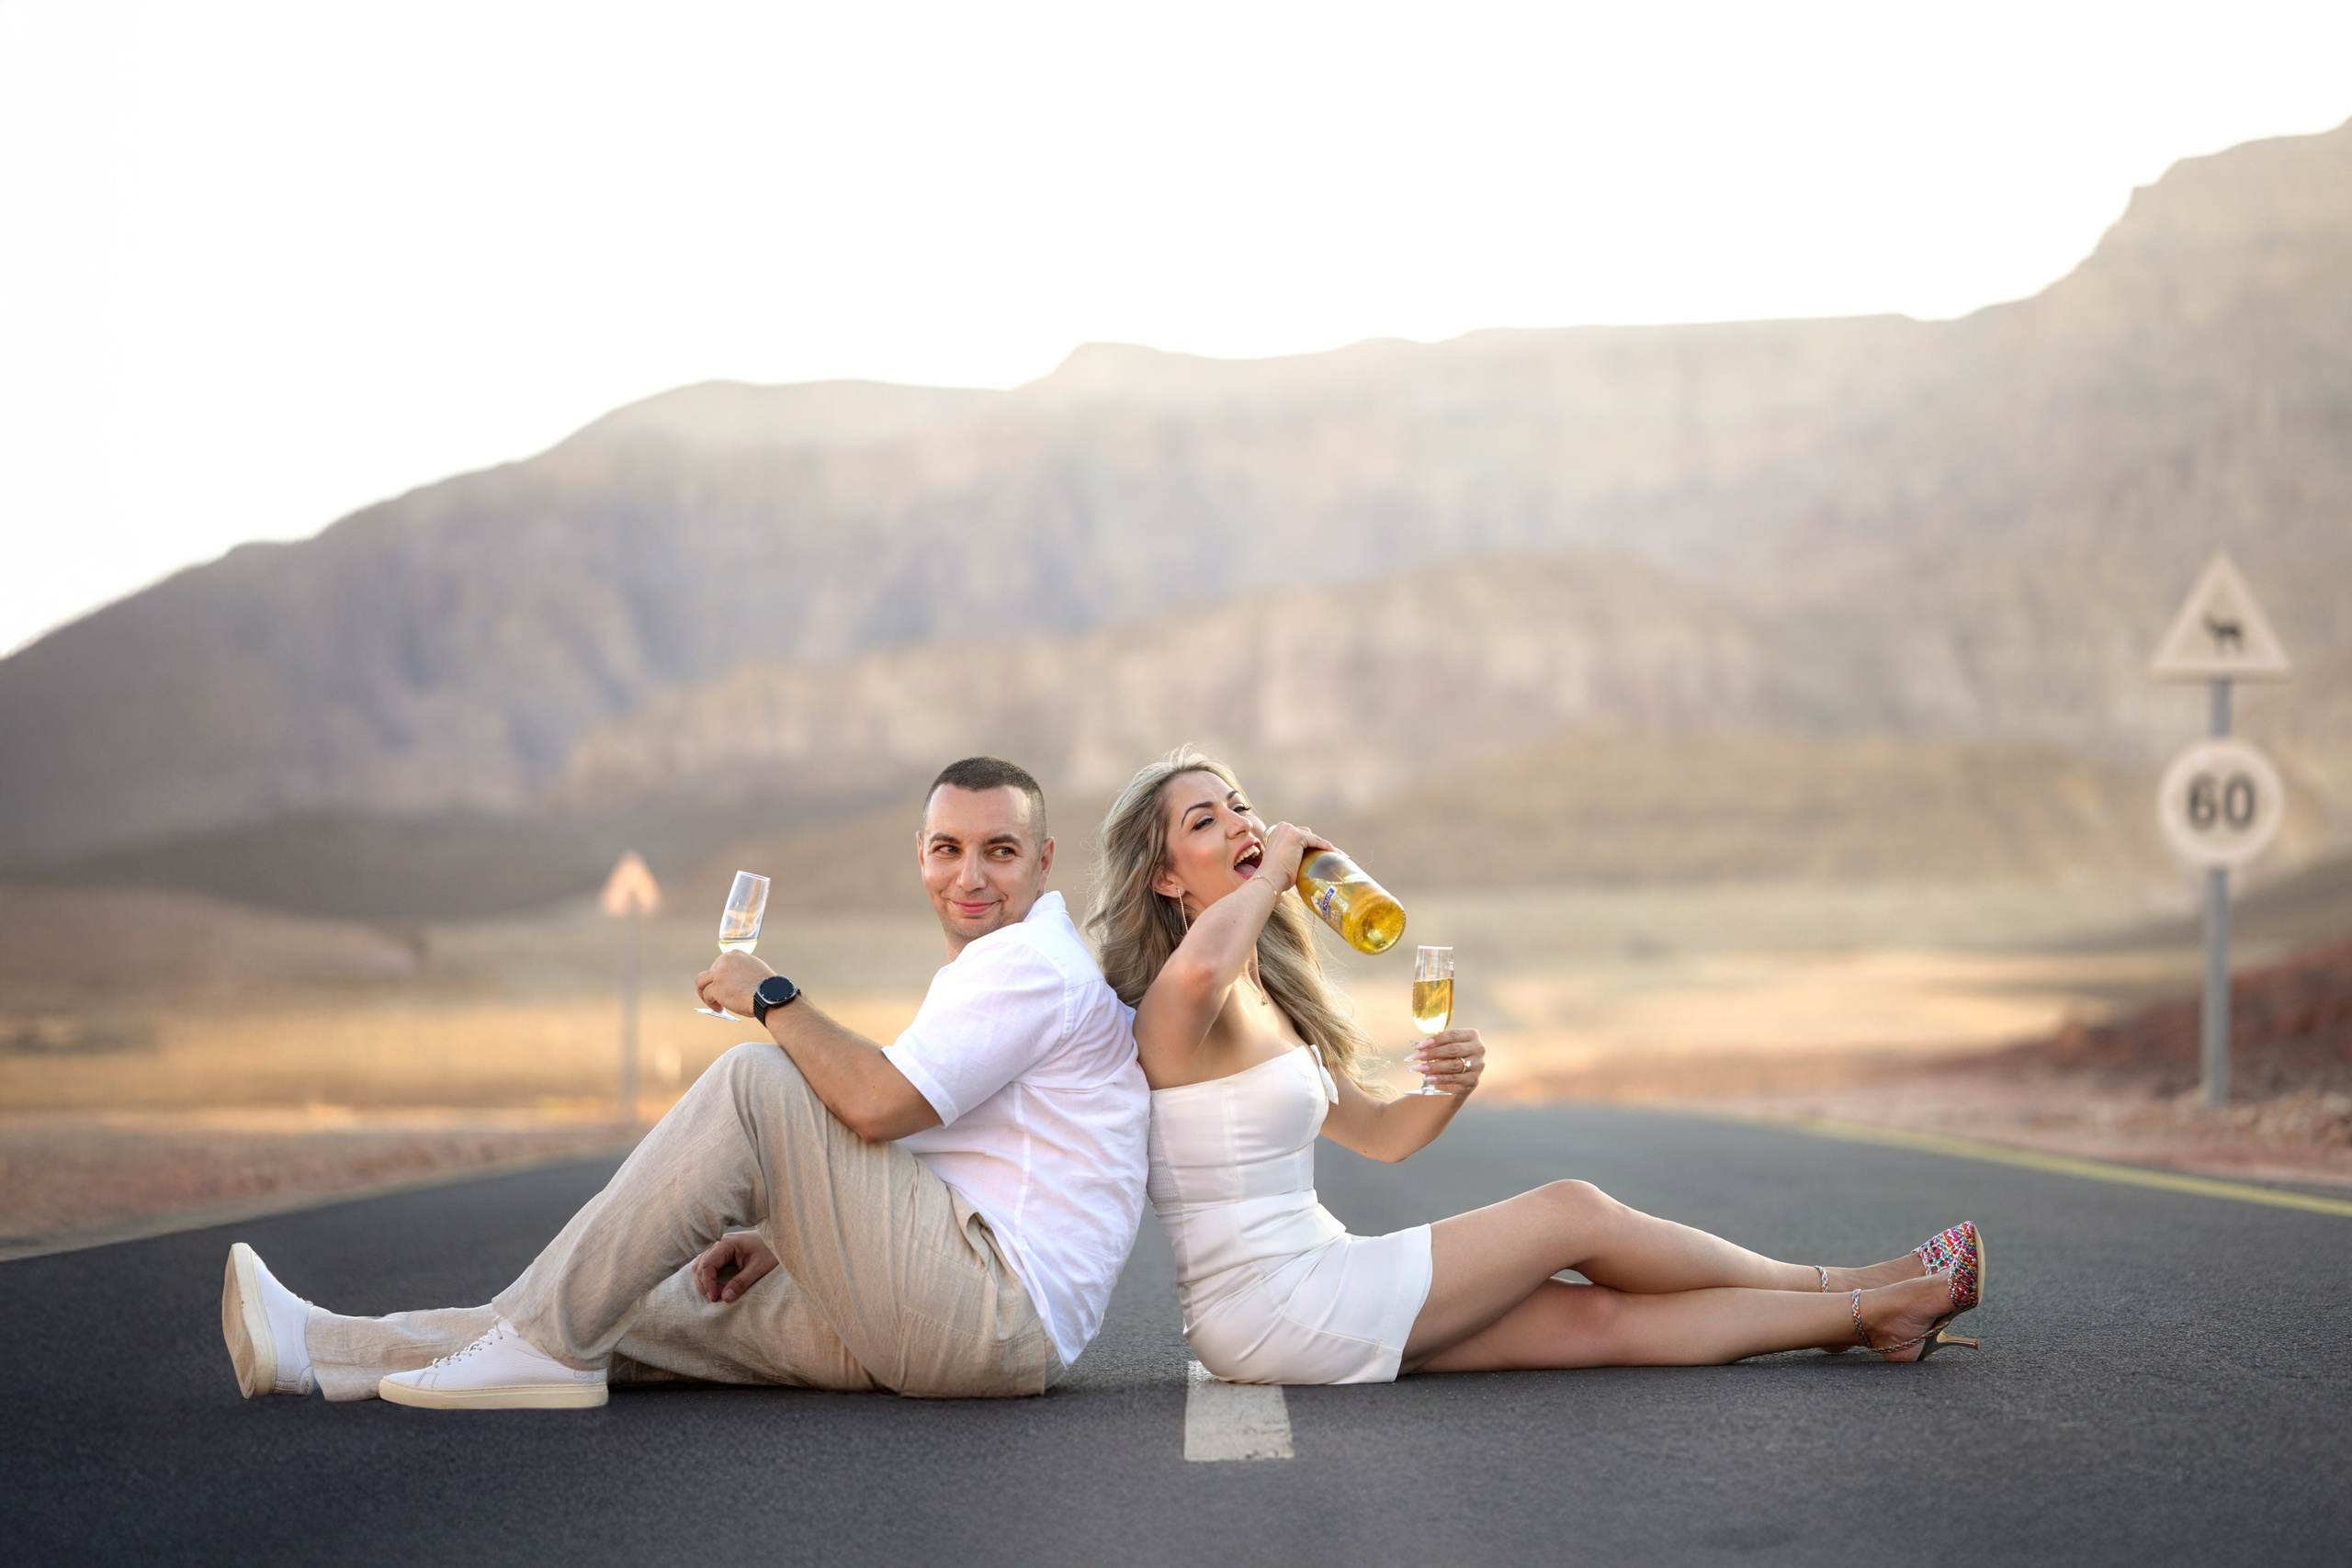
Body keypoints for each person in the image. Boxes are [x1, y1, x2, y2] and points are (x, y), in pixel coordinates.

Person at [220, 756, 1148, 1407]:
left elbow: (871, 1102)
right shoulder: (1007, 971)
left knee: (757, 1080)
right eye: (948, 849)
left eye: (999, 850)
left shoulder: (1031, 963)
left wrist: (772, 995)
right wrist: (787, 1239)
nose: (970, 874)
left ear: (1044, 860)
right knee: (621, 1304)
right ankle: (315, 1352)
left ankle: (543, 1351)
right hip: (951, 1314)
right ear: (919, 855)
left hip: (983, 1315)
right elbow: (948, 1142)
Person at [1090, 746, 1984, 1386]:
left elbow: (1384, 1135)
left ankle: (1870, 1318)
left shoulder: (1268, 999)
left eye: (1240, 804)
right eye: (1205, 822)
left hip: (1316, 1274)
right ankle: (1855, 1284)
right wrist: (1271, 874)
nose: (1243, 823)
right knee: (1572, 1211)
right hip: (1267, 1303)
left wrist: (1447, 1086)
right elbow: (1206, 961)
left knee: (1600, 1322)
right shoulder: (1177, 1002)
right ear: (1168, 880)